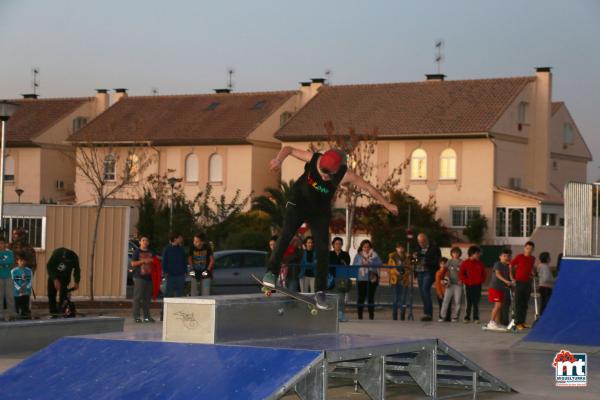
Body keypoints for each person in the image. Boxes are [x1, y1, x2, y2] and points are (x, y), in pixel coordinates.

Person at [263, 146, 398, 309]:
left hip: (319, 211)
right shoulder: (313, 158)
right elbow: (288, 149)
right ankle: (271, 272)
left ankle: (320, 291)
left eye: (328, 175)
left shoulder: (346, 174)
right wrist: (278, 159)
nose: (324, 177)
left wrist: (387, 204)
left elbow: (368, 187)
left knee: (322, 248)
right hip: (298, 202)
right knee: (286, 235)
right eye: (321, 173)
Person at [413, 233, 441, 321]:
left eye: (423, 242)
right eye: (419, 242)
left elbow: (437, 261)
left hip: (429, 272)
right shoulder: (417, 248)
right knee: (422, 292)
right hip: (419, 272)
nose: (421, 244)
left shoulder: (434, 248)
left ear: (426, 240)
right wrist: (414, 258)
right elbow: (413, 260)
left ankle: (429, 314)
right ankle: (426, 313)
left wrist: (426, 262)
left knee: (425, 290)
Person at [46, 247, 80, 316]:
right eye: (66, 261)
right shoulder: (57, 253)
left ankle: (61, 310)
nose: (67, 263)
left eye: (68, 262)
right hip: (54, 275)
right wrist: (55, 279)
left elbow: (77, 270)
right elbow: (49, 266)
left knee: (63, 295)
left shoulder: (74, 258)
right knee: (51, 294)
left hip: (65, 277)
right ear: (63, 256)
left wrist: (77, 281)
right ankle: (53, 312)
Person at [354, 239, 382, 320]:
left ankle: (371, 316)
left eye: (368, 247)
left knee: (371, 297)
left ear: (370, 247)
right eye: (365, 247)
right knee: (361, 297)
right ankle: (360, 316)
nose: (366, 248)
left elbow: (380, 263)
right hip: (361, 278)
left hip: (372, 278)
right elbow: (354, 264)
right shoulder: (358, 255)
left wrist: (371, 263)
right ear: (362, 247)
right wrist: (361, 263)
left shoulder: (375, 255)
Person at [510, 241, 535, 331]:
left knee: (525, 303)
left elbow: (530, 268)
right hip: (519, 282)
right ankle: (517, 323)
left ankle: (522, 321)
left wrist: (532, 274)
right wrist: (512, 277)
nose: (529, 250)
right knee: (518, 303)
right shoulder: (519, 257)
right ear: (524, 248)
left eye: (531, 249)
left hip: (528, 283)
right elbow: (511, 265)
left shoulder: (532, 258)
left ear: (533, 250)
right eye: (527, 248)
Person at [486, 249, 513, 330]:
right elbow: (497, 274)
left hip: (502, 289)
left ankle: (497, 323)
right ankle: (491, 322)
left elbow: (511, 277)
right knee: (498, 305)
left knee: (498, 306)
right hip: (495, 287)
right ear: (500, 257)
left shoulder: (508, 266)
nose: (506, 257)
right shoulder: (497, 264)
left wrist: (511, 269)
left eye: (508, 256)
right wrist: (506, 281)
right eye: (504, 256)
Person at [459, 246, 486, 324]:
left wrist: (481, 281)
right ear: (472, 254)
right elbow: (461, 274)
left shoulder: (480, 263)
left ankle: (476, 318)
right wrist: (466, 281)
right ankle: (467, 317)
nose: (479, 255)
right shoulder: (465, 263)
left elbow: (484, 274)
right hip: (468, 285)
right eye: (477, 253)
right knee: (468, 302)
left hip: (477, 285)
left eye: (478, 253)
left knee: (476, 302)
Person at [131, 236, 155, 323]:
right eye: (143, 240)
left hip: (149, 277)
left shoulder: (151, 252)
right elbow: (133, 263)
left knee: (147, 298)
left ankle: (147, 317)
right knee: (137, 297)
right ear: (140, 242)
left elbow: (155, 262)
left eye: (147, 240)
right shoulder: (137, 252)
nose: (145, 242)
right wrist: (143, 261)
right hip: (139, 277)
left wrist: (154, 261)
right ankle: (136, 316)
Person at [330, 236, 351, 322]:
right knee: (332, 298)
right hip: (331, 278)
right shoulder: (329, 254)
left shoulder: (345, 254)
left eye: (340, 244)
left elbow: (347, 263)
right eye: (336, 244)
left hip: (342, 278)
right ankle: (332, 316)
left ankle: (341, 315)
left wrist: (341, 263)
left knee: (341, 298)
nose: (338, 245)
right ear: (333, 245)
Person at [440, 247, 462, 322]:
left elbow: (465, 273)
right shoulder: (449, 261)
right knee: (446, 300)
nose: (455, 254)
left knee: (458, 301)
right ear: (451, 254)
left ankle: (455, 317)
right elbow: (443, 271)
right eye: (454, 253)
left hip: (458, 285)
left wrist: (462, 280)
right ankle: (442, 316)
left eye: (457, 253)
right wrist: (442, 279)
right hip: (449, 284)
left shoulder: (462, 262)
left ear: (459, 254)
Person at [388, 243, 409, 321]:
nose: (400, 249)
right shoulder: (392, 257)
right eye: (398, 247)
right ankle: (395, 317)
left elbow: (409, 268)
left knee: (403, 299)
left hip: (404, 280)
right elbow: (389, 268)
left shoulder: (407, 257)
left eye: (402, 247)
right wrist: (396, 272)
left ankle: (402, 316)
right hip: (395, 280)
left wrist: (404, 273)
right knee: (395, 298)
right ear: (396, 248)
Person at [11, 252, 33, 318]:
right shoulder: (13, 271)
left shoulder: (29, 271)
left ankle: (25, 313)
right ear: (17, 261)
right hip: (16, 293)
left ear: (26, 261)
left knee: (25, 311)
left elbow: (30, 281)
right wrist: (19, 288)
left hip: (26, 293)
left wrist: (26, 287)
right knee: (15, 311)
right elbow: (12, 281)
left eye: (24, 261)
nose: (22, 262)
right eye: (20, 261)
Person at [0, 237, 16, 321]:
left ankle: (12, 314)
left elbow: (11, 261)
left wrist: (2, 263)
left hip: (8, 277)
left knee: (10, 296)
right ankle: (1, 315)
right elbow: (7, 262)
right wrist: (5, 264)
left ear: (5, 244)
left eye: (2, 243)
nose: (0, 245)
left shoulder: (9, 253)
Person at [435, 257, 450, 321]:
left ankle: (448, 317)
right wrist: (439, 293)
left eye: (444, 264)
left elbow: (448, 281)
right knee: (441, 305)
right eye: (441, 263)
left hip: (447, 292)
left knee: (448, 305)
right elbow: (437, 284)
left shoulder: (448, 272)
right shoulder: (438, 272)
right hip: (440, 292)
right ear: (439, 264)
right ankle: (441, 316)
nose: (443, 265)